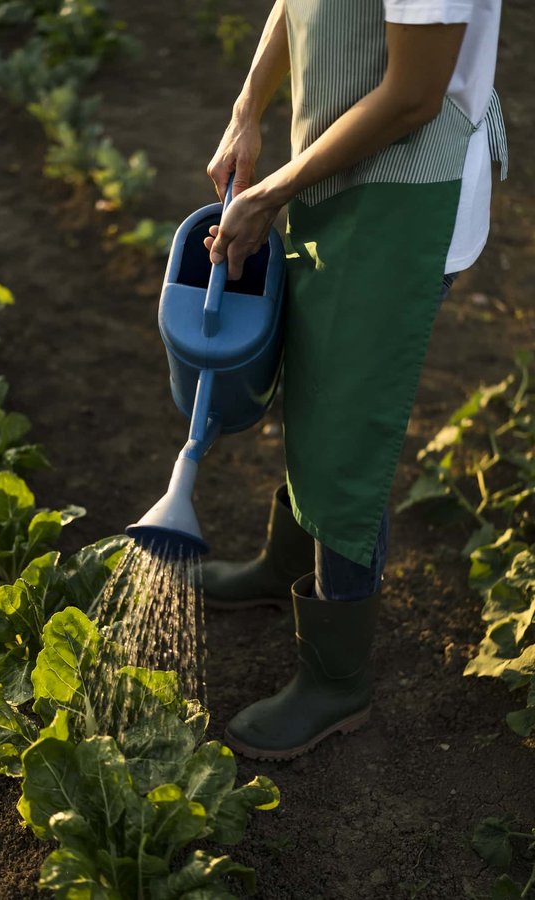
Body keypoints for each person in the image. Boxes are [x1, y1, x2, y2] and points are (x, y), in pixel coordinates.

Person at [202, 0, 507, 761]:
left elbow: (414, 95)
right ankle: (284, 564)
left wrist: (271, 193)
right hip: (334, 163)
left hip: (406, 189)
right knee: (314, 368)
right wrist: (247, 108)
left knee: (346, 416)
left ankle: (335, 679)